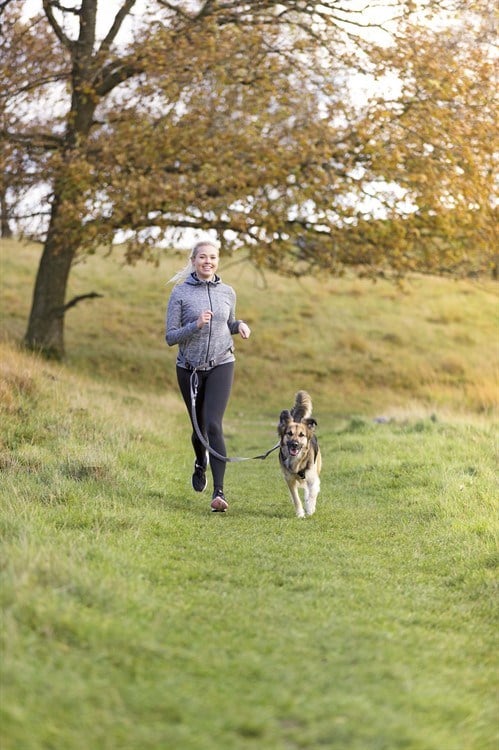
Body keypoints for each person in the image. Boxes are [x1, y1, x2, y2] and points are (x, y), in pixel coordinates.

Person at [165, 240, 251, 512]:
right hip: (189, 369)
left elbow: (229, 323)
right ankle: (200, 462)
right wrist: (196, 324)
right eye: (202, 257)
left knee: (213, 424)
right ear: (193, 260)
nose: (208, 262)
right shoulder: (180, 293)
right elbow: (170, 336)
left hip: (222, 363)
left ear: (217, 261)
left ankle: (219, 492)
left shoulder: (228, 292)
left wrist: (241, 326)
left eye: (213, 257)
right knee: (198, 429)